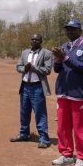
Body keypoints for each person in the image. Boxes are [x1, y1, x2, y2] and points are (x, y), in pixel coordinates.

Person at [10, 34, 52, 148]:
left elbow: (48, 70)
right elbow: (18, 66)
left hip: (37, 87)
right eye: (32, 39)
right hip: (24, 86)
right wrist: (24, 68)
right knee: (24, 112)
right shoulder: (25, 52)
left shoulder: (46, 53)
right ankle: (24, 133)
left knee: (40, 113)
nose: (34, 41)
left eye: (37, 39)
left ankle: (44, 138)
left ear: (41, 41)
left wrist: (33, 68)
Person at [51, 19, 83, 166]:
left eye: (73, 29)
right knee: (63, 126)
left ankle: (81, 157)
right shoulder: (64, 46)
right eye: (67, 29)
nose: (69, 32)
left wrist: (65, 58)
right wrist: (58, 59)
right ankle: (67, 154)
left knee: (79, 128)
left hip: (78, 94)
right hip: (63, 93)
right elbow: (57, 69)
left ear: (79, 30)